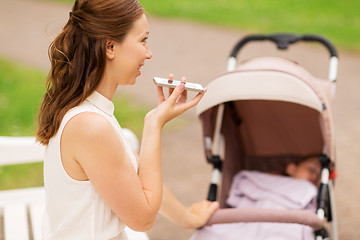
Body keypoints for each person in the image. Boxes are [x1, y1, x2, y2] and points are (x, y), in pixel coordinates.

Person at [36, 0, 219, 239]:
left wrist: (189, 219)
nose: (148, 53)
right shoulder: (91, 126)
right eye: (143, 40)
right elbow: (143, 219)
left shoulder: (92, 112)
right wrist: (154, 124)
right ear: (110, 47)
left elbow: (136, 180)